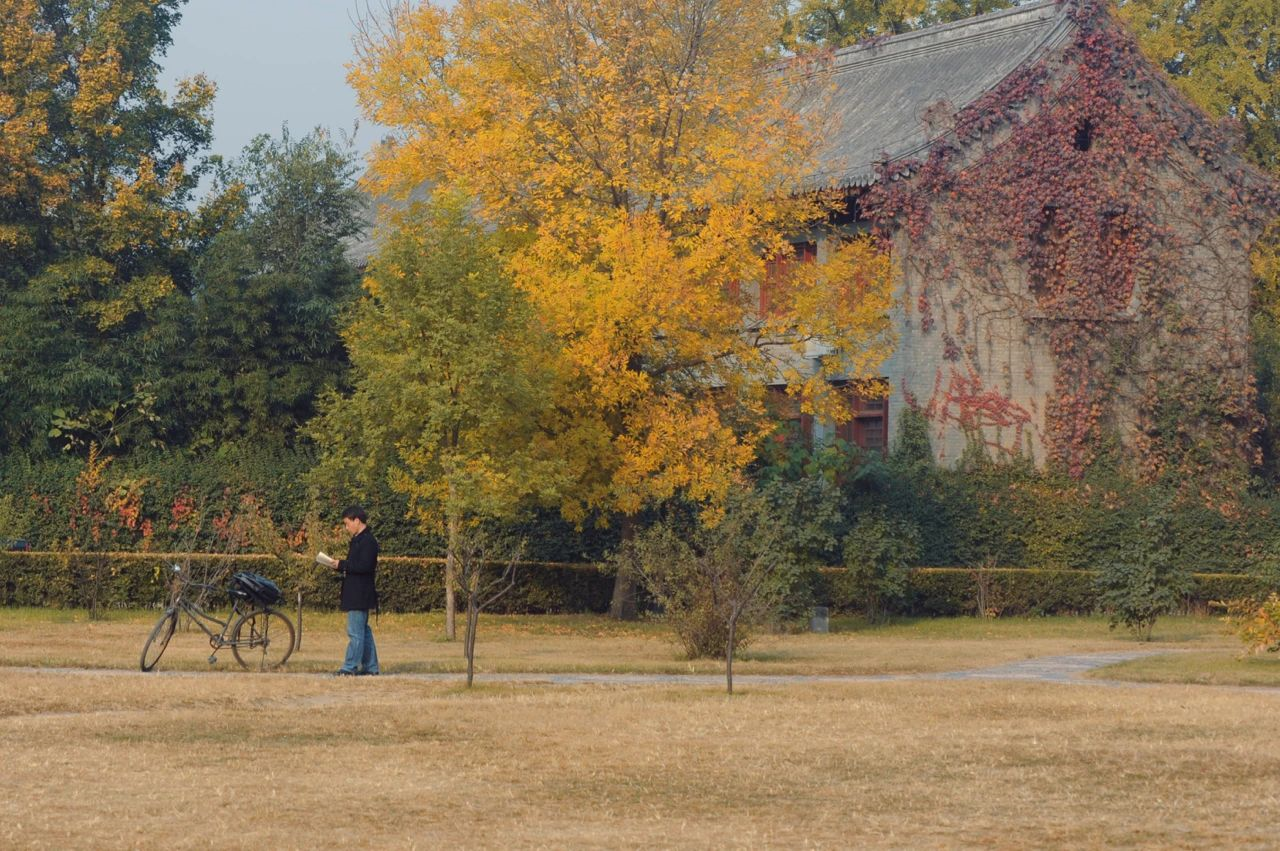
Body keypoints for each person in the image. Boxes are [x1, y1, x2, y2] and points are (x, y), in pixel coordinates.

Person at [330, 504, 380, 676]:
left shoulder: (368, 541)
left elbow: (364, 566)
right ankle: (371, 667)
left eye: (347, 523)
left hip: (360, 594)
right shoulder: (359, 540)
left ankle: (349, 667)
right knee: (363, 632)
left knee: (355, 633)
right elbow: (355, 565)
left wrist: (342, 564)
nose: (346, 527)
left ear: (357, 520)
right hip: (357, 592)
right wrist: (339, 566)